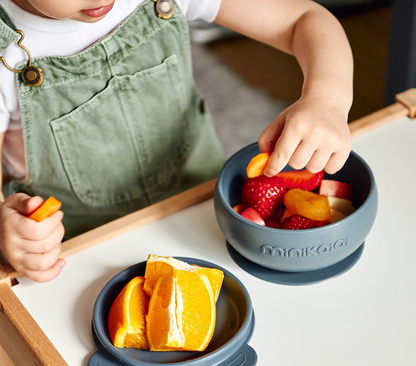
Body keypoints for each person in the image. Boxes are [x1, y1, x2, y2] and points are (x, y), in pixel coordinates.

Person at [0, 0, 353, 282]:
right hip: (83, 250)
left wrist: (327, 99)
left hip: (207, 209)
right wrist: (9, 230)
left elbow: (302, 18)